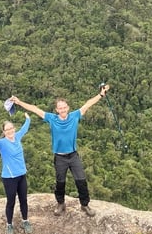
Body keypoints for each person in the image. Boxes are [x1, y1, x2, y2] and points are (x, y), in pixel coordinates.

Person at [10, 85, 109, 217]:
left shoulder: (75, 116)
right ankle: (61, 204)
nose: (62, 110)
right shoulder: (52, 118)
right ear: (57, 110)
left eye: (64, 107)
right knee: (60, 182)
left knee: (81, 180)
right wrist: (19, 102)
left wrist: (101, 95)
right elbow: (35, 109)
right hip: (60, 157)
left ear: (68, 108)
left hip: (73, 155)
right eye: (60, 108)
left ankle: (85, 205)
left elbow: (88, 104)